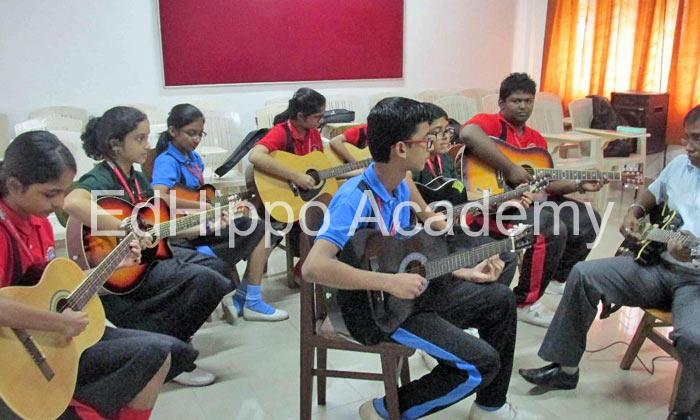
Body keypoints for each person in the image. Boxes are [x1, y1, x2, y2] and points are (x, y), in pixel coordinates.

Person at [302, 97, 534, 420]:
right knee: (481, 363)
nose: (433, 146)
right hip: (377, 312)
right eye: (427, 139)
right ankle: (384, 410)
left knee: (501, 300)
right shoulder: (354, 198)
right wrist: (389, 283)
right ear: (400, 148)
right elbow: (314, 267)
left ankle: (489, 407)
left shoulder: (401, 183)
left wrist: (463, 270)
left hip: (410, 297)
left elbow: (410, 249)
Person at [0, 131, 198, 419]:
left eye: (64, 192)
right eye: (50, 193)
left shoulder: (38, 223)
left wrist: (115, 266)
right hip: (19, 354)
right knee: (151, 354)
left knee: (164, 353)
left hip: (49, 336)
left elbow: (50, 289)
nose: (59, 203)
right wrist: (58, 322)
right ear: (14, 186)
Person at [519, 105, 700, 420]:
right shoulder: (680, 166)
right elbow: (652, 192)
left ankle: (686, 412)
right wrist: (634, 212)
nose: (688, 146)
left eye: (696, 139)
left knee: (694, 338)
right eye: (686, 137)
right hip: (658, 267)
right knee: (584, 274)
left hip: (694, 284)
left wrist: (691, 254)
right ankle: (565, 369)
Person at [62, 106, 232, 387]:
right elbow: (72, 202)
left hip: (146, 257)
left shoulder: (138, 179)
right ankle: (172, 357)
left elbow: (158, 228)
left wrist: (206, 225)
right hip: (119, 266)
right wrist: (125, 229)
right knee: (204, 280)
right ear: (116, 145)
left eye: (147, 137)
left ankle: (169, 343)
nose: (147, 145)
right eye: (139, 139)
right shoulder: (101, 178)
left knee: (216, 268)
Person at [461, 73, 603, 327]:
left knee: (587, 218)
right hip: (492, 207)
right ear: (502, 102)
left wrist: (579, 184)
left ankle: (557, 279)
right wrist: (510, 169)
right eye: (516, 101)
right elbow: (468, 133)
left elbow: (546, 183)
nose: (523, 106)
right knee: (548, 225)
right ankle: (525, 302)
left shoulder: (535, 139)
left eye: (528, 101)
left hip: (529, 202)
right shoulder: (490, 123)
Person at [150, 103, 287, 322]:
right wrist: (201, 206)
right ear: (173, 131)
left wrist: (221, 206)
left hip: (204, 224)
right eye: (191, 133)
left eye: (200, 134)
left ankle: (246, 296)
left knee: (266, 231)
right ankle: (249, 299)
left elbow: (200, 195)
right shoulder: (167, 161)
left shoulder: (193, 158)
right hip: (185, 234)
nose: (197, 139)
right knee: (261, 231)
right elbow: (159, 196)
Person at [249, 88, 327, 280]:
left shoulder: (314, 134)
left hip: (307, 199)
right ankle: (303, 271)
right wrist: (296, 176)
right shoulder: (281, 132)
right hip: (284, 198)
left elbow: (321, 167)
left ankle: (306, 267)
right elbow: (256, 156)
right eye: (318, 116)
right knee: (322, 220)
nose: (321, 121)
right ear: (300, 116)